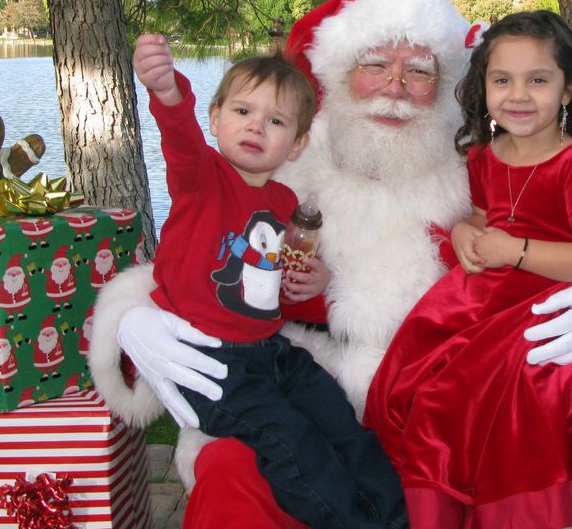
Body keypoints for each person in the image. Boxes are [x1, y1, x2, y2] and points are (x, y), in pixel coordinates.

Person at [90, 0, 572, 529]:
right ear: (338, 74)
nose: (395, 88)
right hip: (293, 383)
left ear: (445, 85)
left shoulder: (475, 166)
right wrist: (134, 319)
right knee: (231, 474)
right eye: (375, 66)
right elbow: (196, 256)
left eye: (418, 72)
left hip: (443, 398)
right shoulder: (280, 158)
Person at [365, 10, 572, 527]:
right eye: (503, 80)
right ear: (484, 87)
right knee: (429, 388)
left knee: (506, 388)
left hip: (543, 298)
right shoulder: (484, 155)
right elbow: (481, 217)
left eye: (538, 80)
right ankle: (444, 506)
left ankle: (516, 508)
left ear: (567, 91)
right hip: (481, 298)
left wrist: (514, 251)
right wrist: (465, 234)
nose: (518, 95)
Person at [128, 34, 406, 529]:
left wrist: (313, 281)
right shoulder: (202, 179)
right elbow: (179, 138)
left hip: (269, 352)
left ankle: (393, 516)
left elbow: (266, 288)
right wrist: (167, 92)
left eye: (275, 121)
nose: (256, 126)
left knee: (341, 421)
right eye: (242, 112)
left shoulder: (283, 204)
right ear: (215, 121)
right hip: (212, 362)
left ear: (296, 143)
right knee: (290, 440)